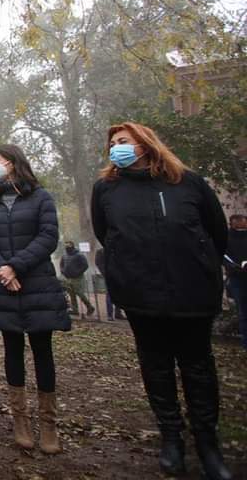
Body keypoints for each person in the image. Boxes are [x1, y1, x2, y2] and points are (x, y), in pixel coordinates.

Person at [92, 122, 232, 480]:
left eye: (123, 141)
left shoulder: (188, 182)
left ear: (145, 143)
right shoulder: (107, 189)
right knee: (156, 368)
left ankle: (208, 444)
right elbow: (106, 234)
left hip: (191, 293)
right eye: (112, 143)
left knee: (198, 369)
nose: (116, 147)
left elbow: (216, 232)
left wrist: (201, 266)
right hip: (141, 295)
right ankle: (171, 438)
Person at [0, 144, 70, 454]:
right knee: (12, 350)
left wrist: (15, 266)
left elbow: (47, 236)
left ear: (13, 162)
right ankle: (20, 420)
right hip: (4, 286)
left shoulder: (40, 197)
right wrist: (2, 269)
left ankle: (49, 424)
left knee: (43, 352)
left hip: (37, 284)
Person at [223, 214, 247, 350]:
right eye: (238, 222)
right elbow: (223, 256)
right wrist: (233, 267)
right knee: (243, 312)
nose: (241, 224)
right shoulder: (227, 238)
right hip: (237, 278)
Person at [58, 241, 94, 318]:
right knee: (71, 294)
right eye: (66, 245)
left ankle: (90, 307)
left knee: (79, 292)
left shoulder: (79, 255)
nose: (67, 246)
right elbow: (61, 264)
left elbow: (85, 265)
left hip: (78, 278)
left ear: (72, 245)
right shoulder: (64, 255)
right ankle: (75, 310)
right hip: (68, 277)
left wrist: (77, 273)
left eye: (68, 245)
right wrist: (63, 271)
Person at [93, 247, 123, 322]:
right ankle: (110, 314)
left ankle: (118, 313)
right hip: (109, 275)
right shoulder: (101, 251)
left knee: (119, 294)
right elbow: (98, 263)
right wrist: (105, 272)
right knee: (110, 295)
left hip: (119, 274)